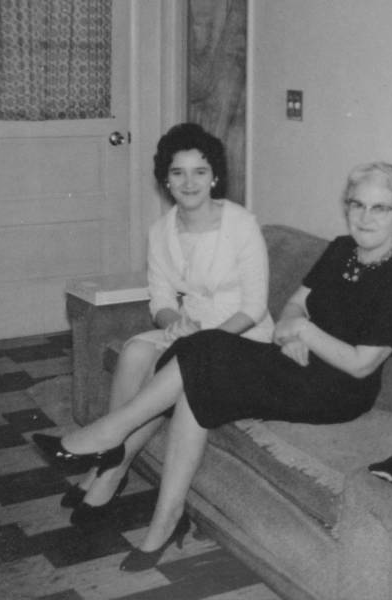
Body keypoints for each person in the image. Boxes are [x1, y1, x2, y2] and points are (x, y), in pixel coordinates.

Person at [33, 161, 392, 572]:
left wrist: (304, 332)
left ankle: (110, 435)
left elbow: (361, 365)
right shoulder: (342, 249)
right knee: (203, 357)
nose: (365, 217)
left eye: (380, 208)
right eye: (357, 204)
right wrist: (290, 330)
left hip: (336, 391)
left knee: (203, 362)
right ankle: (165, 515)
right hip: (294, 362)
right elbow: (294, 305)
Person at [60, 122, 273, 526]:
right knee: (136, 350)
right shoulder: (161, 232)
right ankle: (111, 462)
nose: (189, 183)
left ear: (215, 177)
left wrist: (206, 341)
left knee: (167, 360)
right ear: (165, 180)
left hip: (243, 334)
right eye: (178, 172)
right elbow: (159, 298)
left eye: (200, 171)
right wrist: (174, 322)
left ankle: (109, 470)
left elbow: (256, 306)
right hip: (191, 328)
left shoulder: (241, 224)